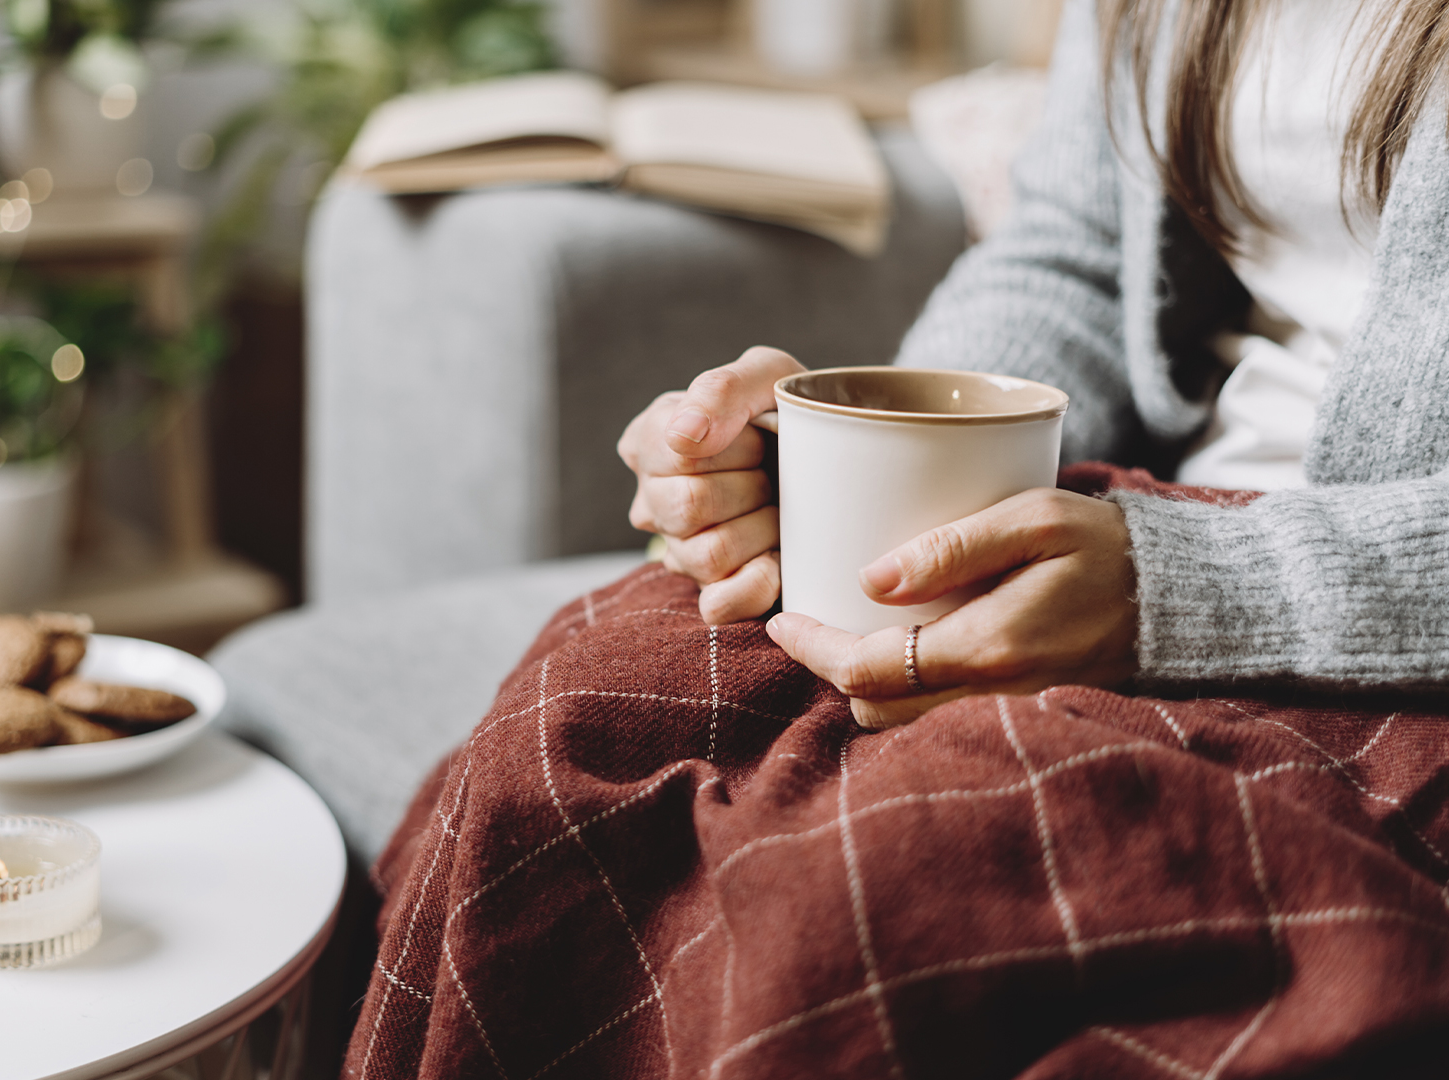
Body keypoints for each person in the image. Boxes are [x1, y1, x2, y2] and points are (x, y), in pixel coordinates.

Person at [618, 0, 1449, 730]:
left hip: (1351, 625)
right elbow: (1079, 254)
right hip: (1135, 530)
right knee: (607, 696)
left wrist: (1184, 595)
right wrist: (876, 458)